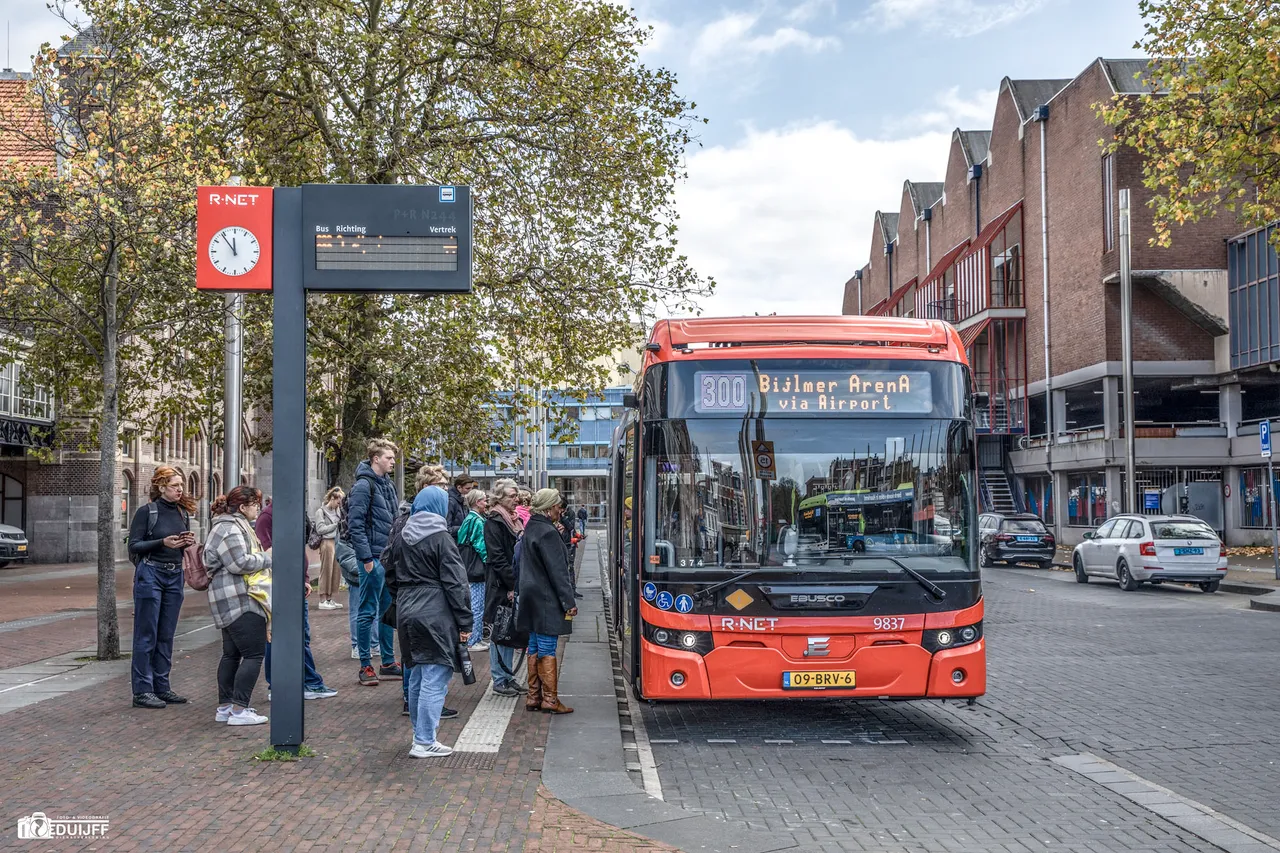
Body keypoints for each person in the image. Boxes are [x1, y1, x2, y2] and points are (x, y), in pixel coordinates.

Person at [383, 485, 472, 758]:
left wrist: (403, 597)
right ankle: (424, 740)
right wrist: (465, 621)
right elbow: (456, 583)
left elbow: (389, 573)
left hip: (406, 610)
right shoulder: (441, 538)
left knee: (417, 675)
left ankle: (418, 736)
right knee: (435, 675)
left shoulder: (402, 536)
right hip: (435, 611)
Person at [127, 466, 196, 709]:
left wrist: (185, 542)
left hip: (174, 575)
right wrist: (162, 542)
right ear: (161, 486)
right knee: (147, 634)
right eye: (175, 485)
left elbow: (176, 545)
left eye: (181, 485)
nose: (180, 489)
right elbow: (134, 545)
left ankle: (162, 687)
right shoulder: (147, 512)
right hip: (151, 574)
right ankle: (142, 691)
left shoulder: (181, 512)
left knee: (166, 634)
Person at [256, 499, 337, 701]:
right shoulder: (268, 517)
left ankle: (297, 682)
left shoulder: (290, 515)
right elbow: (268, 554)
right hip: (282, 586)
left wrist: (305, 579)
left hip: (295, 583)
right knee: (284, 636)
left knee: (300, 636)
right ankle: (302, 682)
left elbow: (298, 549)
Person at [204, 486, 272, 726]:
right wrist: (268, 557)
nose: (258, 509)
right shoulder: (230, 528)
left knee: (231, 655)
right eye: (255, 505)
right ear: (243, 507)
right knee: (254, 654)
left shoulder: (228, 525)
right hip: (240, 599)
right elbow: (239, 563)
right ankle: (239, 709)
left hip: (228, 599)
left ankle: (225, 707)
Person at [517, 488, 578, 714]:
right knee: (547, 647)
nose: (560, 511)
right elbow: (558, 572)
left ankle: (534, 696)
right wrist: (569, 602)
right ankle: (550, 699)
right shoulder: (548, 532)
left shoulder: (531, 527)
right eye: (558, 507)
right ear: (550, 507)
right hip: (546, 598)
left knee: (534, 645)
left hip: (530, 595)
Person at [349, 438, 403, 686]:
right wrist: (366, 558)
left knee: (387, 610)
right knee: (367, 611)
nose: (392, 461)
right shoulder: (363, 485)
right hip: (373, 557)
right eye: (389, 457)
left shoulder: (387, 485)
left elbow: (394, 520)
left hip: (387, 558)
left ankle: (388, 662)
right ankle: (365, 665)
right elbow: (356, 524)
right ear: (376, 459)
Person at [483, 478, 524, 696]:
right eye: (511, 496)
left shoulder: (513, 519)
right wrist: (512, 583)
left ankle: (508, 676)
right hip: (501, 585)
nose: (516, 499)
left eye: (516, 495)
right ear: (499, 498)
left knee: (509, 631)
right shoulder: (494, 522)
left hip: (511, 582)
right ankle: (499, 679)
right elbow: (497, 557)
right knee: (500, 632)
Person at [456, 488, 490, 651]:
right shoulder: (477, 521)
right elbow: (480, 544)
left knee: (474, 603)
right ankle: (473, 640)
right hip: (476, 568)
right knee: (477, 604)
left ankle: (475, 637)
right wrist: (488, 560)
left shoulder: (468, 519)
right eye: (484, 500)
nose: (486, 503)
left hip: (467, 564)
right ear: (477, 502)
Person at [313, 487, 344, 609]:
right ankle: (322, 599)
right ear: (332, 498)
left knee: (335, 570)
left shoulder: (338, 511)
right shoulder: (320, 512)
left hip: (336, 541)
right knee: (326, 570)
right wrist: (335, 525)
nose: (339, 505)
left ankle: (330, 598)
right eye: (338, 502)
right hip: (326, 542)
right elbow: (320, 529)